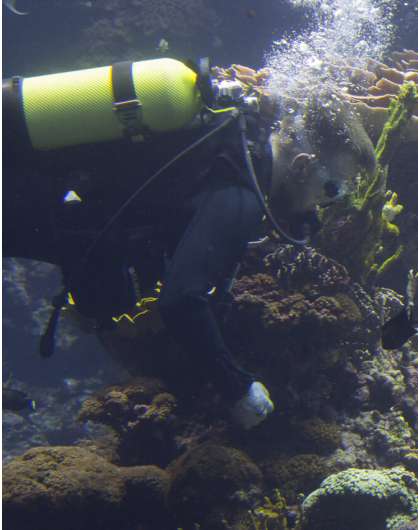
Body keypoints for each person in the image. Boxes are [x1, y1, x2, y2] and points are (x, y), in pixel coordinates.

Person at [3, 60, 376, 428]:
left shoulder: (226, 141)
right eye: (333, 189)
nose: (324, 207)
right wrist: (238, 388)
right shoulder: (240, 194)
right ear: (302, 165)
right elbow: (182, 300)